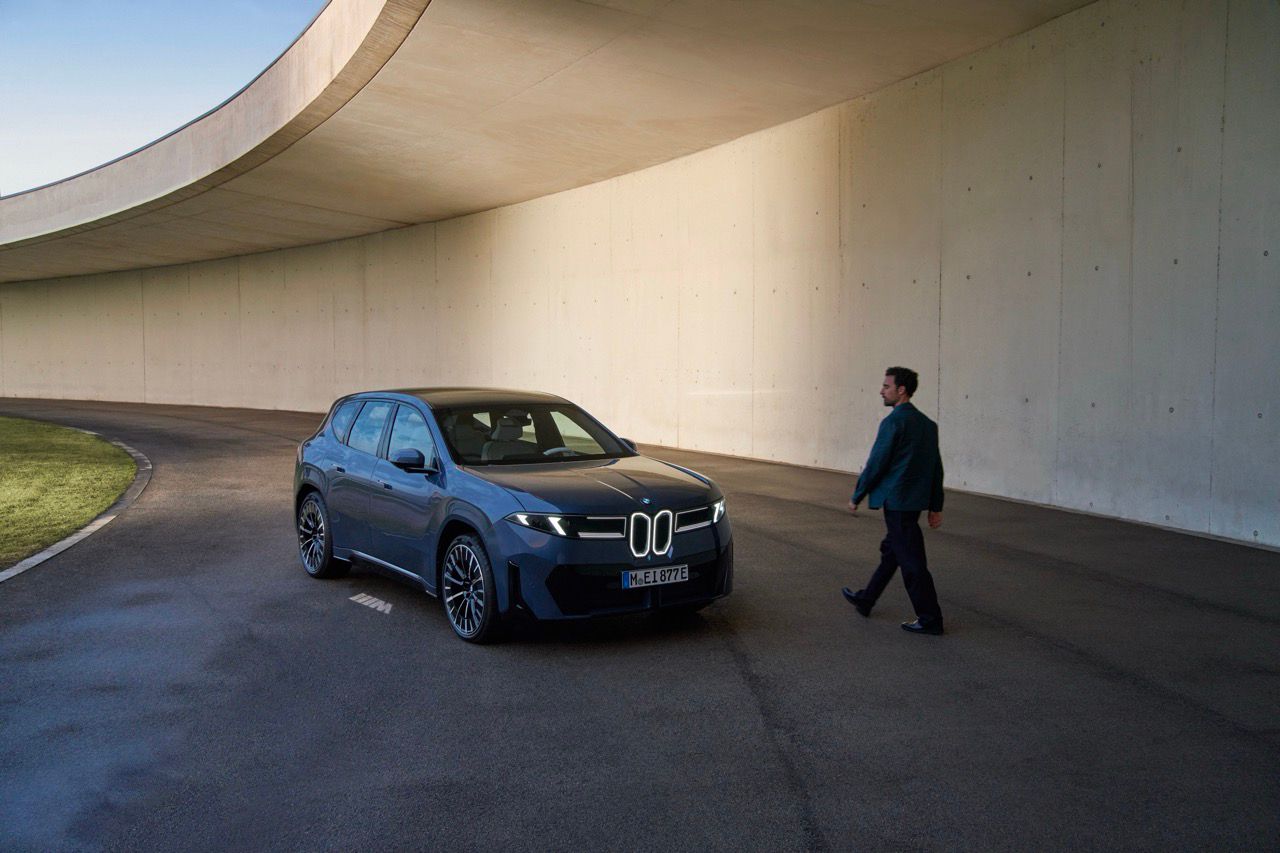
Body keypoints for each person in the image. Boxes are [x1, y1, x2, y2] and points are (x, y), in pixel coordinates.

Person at [841, 366, 946, 635]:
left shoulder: (893, 423)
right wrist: (936, 506)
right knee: (893, 552)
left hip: (897, 504)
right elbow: (936, 467)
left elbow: (877, 463)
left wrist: (857, 495)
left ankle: (930, 619)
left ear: (901, 390)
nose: (881, 390)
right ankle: (866, 600)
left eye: (886, 386)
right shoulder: (927, 425)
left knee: (912, 563)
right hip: (912, 504)